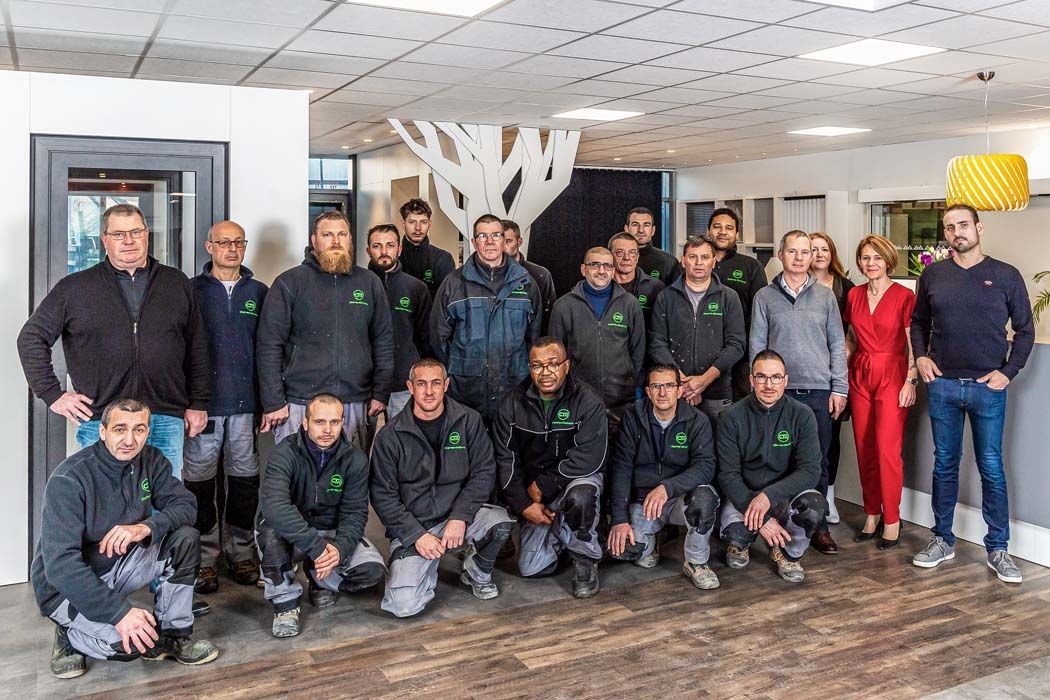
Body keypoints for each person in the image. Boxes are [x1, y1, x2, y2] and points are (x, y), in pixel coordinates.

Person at [18, 202, 210, 478]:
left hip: (165, 417)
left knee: (164, 507)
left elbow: (197, 347)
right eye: (119, 234)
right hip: (103, 419)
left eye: (136, 231)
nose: (129, 240)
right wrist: (52, 394)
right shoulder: (75, 288)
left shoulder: (176, 283)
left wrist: (198, 403)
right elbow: (31, 337)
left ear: (146, 235)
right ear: (104, 240)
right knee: (105, 506)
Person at [33, 399, 218, 679]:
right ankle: (70, 633)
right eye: (120, 429)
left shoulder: (151, 460)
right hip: (65, 587)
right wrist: (120, 614)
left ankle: (173, 634)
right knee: (131, 644)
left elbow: (186, 507)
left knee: (185, 538)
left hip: (119, 564)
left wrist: (145, 527)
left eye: (139, 430)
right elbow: (60, 566)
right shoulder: (69, 479)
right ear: (103, 431)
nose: (130, 440)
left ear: (147, 431)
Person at [910, 204, 1034, 584]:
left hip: (987, 389)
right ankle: (942, 539)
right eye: (950, 228)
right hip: (944, 386)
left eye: (963, 225)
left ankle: (998, 548)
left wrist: (1007, 372)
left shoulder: (1005, 275)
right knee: (945, 464)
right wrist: (920, 359)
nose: (957, 233)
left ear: (979, 228)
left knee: (991, 468)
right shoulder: (933, 275)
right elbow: (917, 323)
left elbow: (1025, 331)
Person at [371, 359, 516, 617]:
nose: (429, 391)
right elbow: (383, 496)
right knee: (403, 606)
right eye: (422, 384)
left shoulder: (468, 421)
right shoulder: (391, 435)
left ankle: (476, 571)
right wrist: (416, 535)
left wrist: (460, 516)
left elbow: (484, 472)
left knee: (500, 523)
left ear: (446, 385)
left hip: (455, 518)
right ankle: (415, 571)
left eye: (436, 383)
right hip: (416, 527)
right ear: (410, 387)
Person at [257, 211, 394, 450]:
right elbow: (269, 345)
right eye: (327, 234)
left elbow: (383, 341)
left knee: (351, 477)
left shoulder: (369, 283)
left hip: (354, 401)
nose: (335, 241)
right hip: (300, 402)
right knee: (298, 478)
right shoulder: (289, 283)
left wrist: (381, 392)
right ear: (314, 241)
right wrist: (273, 401)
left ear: (350, 239)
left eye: (342, 234)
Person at [256, 394, 387, 638]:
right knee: (270, 534)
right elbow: (275, 507)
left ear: (342, 423)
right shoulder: (285, 453)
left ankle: (319, 578)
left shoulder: (355, 459)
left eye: (335, 422)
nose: (327, 430)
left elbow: (355, 513)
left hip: (330, 534)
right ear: (305, 423)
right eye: (319, 422)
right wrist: (316, 548)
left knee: (372, 571)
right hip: (293, 535)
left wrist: (339, 549)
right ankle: (285, 606)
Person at [750, 230, 847, 555]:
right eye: (793, 251)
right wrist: (760, 386)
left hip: (819, 390)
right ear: (781, 253)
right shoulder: (764, 296)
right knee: (776, 460)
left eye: (805, 252)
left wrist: (840, 388)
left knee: (815, 462)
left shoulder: (825, 297)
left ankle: (817, 528)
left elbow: (837, 344)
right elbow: (757, 347)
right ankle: (772, 523)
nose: (800, 257)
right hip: (777, 392)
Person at [185, 221, 268, 595]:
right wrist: (189, 402)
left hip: (245, 406)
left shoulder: (260, 292)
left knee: (244, 484)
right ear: (209, 246)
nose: (231, 249)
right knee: (199, 486)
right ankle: (202, 559)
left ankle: (240, 551)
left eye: (238, 242)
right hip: (203, 408)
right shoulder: (190, 292)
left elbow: (269, 351)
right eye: (223, 243)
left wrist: (268, 402)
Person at [493, 338, 607, 598]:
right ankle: (568, 535)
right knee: (532, 568)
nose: (545, 372)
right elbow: (505, 460)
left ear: (566, 366)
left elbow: (591, 456)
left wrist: (544, 484)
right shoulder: (511, 404)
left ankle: (585, 558)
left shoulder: (587, 401)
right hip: (536, 499)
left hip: (573, 484)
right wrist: (523, 505)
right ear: (530, 368)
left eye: (553, 364)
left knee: (582, 496)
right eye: (537, 366)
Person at [717, 351, 828, 583]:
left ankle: (789, 553)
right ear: (751, 380)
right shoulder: (731, 416)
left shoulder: (802, 415)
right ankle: (742, 543)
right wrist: (761, 516)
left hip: (783, 496)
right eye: (761, 377)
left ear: (785, 381)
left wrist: (769, 496)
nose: (769, 385)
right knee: (736, 534)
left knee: (815, 507)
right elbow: (728, 475)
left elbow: (810, 470)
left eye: (776, 377)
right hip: (744, 497)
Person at [607, 365, 720, 590]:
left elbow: (706, 466)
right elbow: (621, 467)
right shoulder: (633, 417)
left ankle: (697, 563)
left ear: (679, 390)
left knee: (706, 498)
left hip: (680, 499)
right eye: (656, 386)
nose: (662, 392)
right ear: (648, 391)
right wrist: (619, 519)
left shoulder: (698, 420)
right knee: (625, 551)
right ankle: (651, 539)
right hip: (644, 501)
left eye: (669, 386)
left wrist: (667, 487)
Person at [431, 215, 542, 422]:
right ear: (473, 242)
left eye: (496, 235)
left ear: (504, 239)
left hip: (514, 386)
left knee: (509, 449)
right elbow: (439, 338)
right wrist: (460, 368)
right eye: (483, 236)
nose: (490, 242)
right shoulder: (454, 284)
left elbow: (534, 339)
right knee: (469, 448)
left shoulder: (526, 283)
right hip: (466, 391)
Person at [845, 236, 917, 550]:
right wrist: (837, 371)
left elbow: (913, 342)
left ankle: (892, 519)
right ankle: (872, 513)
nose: (870, 263)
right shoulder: (854, 295)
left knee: (888, 451)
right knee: (864, 447)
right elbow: (850, 338)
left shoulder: (904, 296)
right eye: (864, 258)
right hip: (859, 373)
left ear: (888, 260)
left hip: (893, 373)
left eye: (876, 257)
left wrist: (911, 380)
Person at [649, 235, 745, 423]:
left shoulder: (729, 297)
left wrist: (704, 380)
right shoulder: (665, 297)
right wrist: (681, 381)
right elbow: (657, 343)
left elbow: (736, 345)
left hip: (717, 391)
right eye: (692, 257)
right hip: (675, 391)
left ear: (714, 261)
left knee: (719, 447)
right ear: (683, 261)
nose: (698, 263)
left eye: (704, 257)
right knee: (677, 448)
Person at [548, 246, 645, 423]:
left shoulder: (630, 304)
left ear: (613, 270)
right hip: (577, 400)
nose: (602, 271)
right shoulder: (563, 307)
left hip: (622, 401)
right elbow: (555, 356)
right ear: (584, 269)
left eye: (607, 266)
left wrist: (631, 384)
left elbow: (638, 351)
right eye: (595, 265)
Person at [809, 232, 856, 525]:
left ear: (832, 253)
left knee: (831, 438)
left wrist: (837, 366)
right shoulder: (797, 286)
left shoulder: (845, 288)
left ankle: (827, 495)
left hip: (835, 374)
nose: (819, 254)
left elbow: (851, 335)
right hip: (805, 376)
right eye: (813, 249)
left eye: (824, 249)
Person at [366, 223, 433, 419]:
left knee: (403, 442)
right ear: (368, 250)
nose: (384, 251)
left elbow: (426, 337)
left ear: (399, 248)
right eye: (377, 246)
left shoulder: (415, 288)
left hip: (403, 381)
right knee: (359, 444)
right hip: (364, 382)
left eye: (390, 245)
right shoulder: (356, 285)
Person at [708, 207, 767, 400]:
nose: (722, 232)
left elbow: (759, 314)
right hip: (704, 353)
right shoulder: (698, 264)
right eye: (717, 227)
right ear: (709, 231)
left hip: (740, 356)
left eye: (729, 228)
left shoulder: (751, 267)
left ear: (737, 234)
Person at [503, 219, 556, 334]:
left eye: (508, 241)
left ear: (519, 241)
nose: (503, 247)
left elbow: (549, 317)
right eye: (500, 241)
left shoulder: (540, 274)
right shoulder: (488, 275)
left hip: (531, 344)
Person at [609, 231, 665, 332]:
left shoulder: (656, 287)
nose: (626, 258)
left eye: (632, 252)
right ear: (610, 256)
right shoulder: (600, 287)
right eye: (620, 252)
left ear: (637, 257)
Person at [399, 198, 456, 295]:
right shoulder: (391, 258)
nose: (418, 228)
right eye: (412, 222)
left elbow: (446, 299)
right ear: (403, 224)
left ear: (429, 224)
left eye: (423, 222)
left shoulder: (442, 259)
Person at [625, 207, 682, 284]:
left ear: (653, 230)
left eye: (646, 225)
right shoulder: (615, 259)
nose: (640, 230)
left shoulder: (669, 262)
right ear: (626, 229)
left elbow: (675, 295)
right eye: (635, 225)